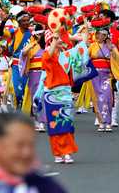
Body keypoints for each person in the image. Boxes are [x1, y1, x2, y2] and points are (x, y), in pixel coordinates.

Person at [41, 32, 79, 164]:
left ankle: (67, 152)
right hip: (52, 94)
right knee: (55, 125)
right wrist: (54, 39)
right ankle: (58, 152)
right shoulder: (46, 55)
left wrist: (85, 29)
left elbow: (82, 49)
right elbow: (49, 54)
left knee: (66, 122)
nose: (58, 41)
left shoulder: (66, 56)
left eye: (58, 39)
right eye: (53, 40)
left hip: (65, 92)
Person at [89, 26, 119, 132]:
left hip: (107, 75)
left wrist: (111, 50)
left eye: (101, 34)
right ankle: (100, 122)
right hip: (95, 75)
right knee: (97, 98)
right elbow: (86, 58)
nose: (98, 36)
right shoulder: (92, 46)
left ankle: (108, 122)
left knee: (107, 98)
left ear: (105, 36)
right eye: (97, 34)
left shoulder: (111, 46)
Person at [0, 11, 32, 109]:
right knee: (18, 89)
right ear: (19, 22)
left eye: (27, 20)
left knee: (27, 89)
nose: (26, 23)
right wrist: (3, 21)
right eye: (23, 21)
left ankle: (28, 111)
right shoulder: (14, 32)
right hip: (16, 64)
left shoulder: (32, 34)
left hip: (29, 64)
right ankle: (19, 106)